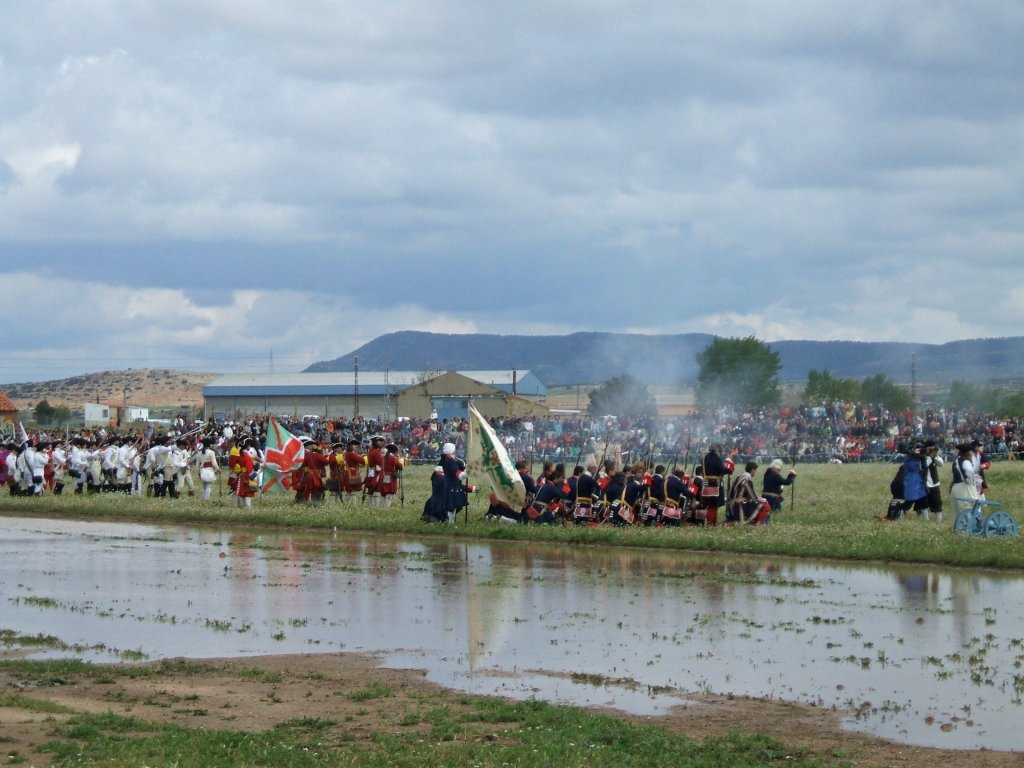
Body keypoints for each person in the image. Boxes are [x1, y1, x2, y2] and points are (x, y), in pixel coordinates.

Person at [901, 443, 929, 517]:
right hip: (911, 481)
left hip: (918, 481)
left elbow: (924, 467)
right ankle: (901, 515)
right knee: (909, 500)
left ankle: (925, 519)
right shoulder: (909, 458)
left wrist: (922, 457)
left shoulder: (920, 458)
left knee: (923, 501)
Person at [922, 440, 943, 522]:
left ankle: (939, 520)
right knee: (924, 503)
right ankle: (926, 520)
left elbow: (941, 464)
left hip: (934, 483)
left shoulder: (935, 456)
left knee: (937, 502)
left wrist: (936, 456)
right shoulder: (923, 456)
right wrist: (929, 457)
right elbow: (924, 465)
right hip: (925, 483)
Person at [364, 436, 385, 507]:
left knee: (371, 488)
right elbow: (380, 462)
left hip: (371, 471)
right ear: (376, 442)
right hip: (376, 472)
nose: (381, 443)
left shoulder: (371, 450)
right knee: (376, 489)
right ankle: (375, 507)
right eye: (379, 441)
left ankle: (370, 505)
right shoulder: (376, 451)